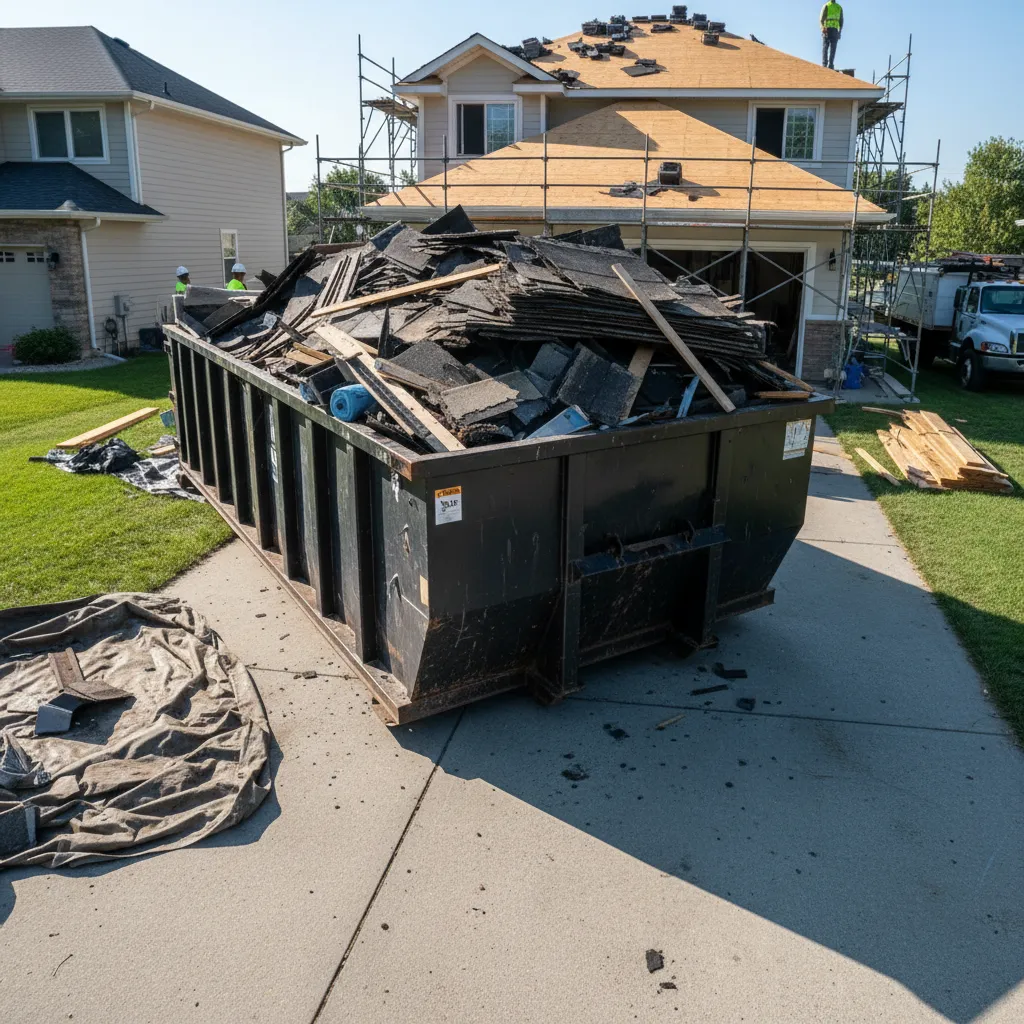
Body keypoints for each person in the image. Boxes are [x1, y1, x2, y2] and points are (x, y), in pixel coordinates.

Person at [820, 1, 843, 70]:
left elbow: (841, 21)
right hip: (827, 29)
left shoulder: (839, 7)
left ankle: (830, 64)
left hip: (835, 30)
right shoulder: (826, 6)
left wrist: (839, 32)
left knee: (833, 48)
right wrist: (822, 28)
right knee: (826, 46)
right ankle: (824, 64)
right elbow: (821, 19)